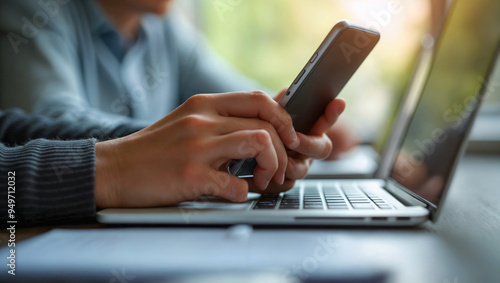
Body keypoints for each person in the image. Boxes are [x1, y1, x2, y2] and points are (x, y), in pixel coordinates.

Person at [0, 0, 358, 159]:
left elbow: (245, 96)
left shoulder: (165, 30)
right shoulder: (31, 11)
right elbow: (42, 127)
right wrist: (198, 141)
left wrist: (290, 121)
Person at [0, 91, 346, 225]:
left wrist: (224, 143)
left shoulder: (164, 31)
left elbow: (10, 127)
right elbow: (51, 110)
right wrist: (112, 168)